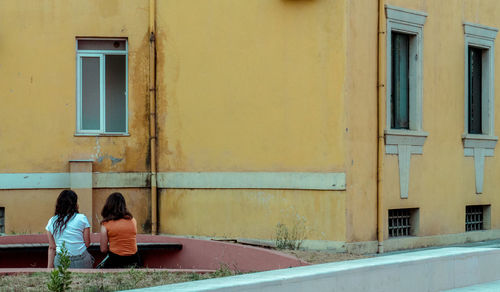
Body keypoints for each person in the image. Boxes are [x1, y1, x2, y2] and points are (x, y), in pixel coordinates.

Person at [46, 190, 93, 268]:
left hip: (61, 260)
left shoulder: (52, 221)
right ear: (74, 204)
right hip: (81, 259)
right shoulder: (82, 218)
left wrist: (49, 268)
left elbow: (52, 247)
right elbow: (87, 243)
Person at [99, 192, 140, 268]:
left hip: (115, 260)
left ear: (108, 206)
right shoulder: (132, 220)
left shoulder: (105, 224)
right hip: (134, 260)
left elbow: (103, 249)